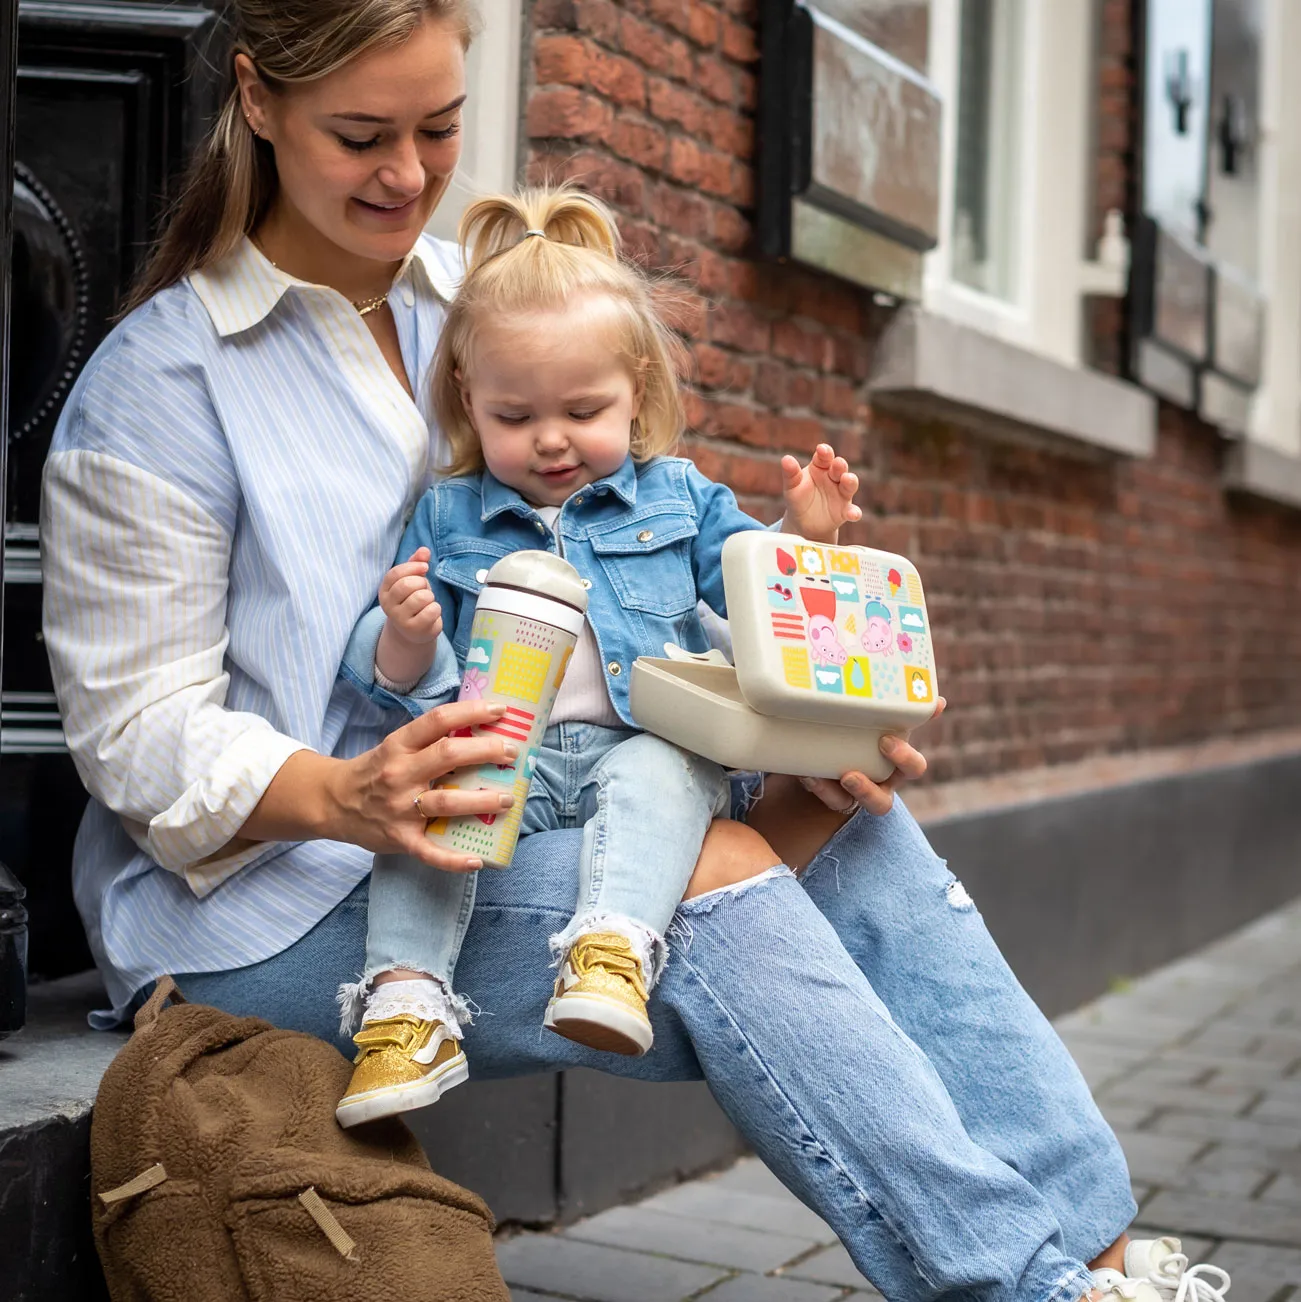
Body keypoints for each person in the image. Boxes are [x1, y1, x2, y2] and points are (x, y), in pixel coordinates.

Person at [38, 1, 1231, 1298]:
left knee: (846, 824)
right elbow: (135, 739)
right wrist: (349, 793)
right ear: (259, 99)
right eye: (362, 135)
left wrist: (791, 725)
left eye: (439, 128)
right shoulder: (163, 385)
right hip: (275, 904)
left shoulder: (491, 306)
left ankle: (1102, 1249)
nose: (407, 173)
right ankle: (1021, 1285)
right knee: (713, 878)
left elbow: (636, 571)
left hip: (535, 799)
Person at [332, 185, 863, 1127]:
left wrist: (801, 538)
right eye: (512, 416)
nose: (550, 440)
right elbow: (383, 667)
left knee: (668, 770)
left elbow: (758, 598)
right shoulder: (448, 515)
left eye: (583, 410)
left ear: (638, 391)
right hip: (509, 750)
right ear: (467, 398)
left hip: (639, 742)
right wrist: (407, 635)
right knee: (436, 799)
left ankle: (611, 953)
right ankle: (405, 1008)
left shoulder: (677, 498)